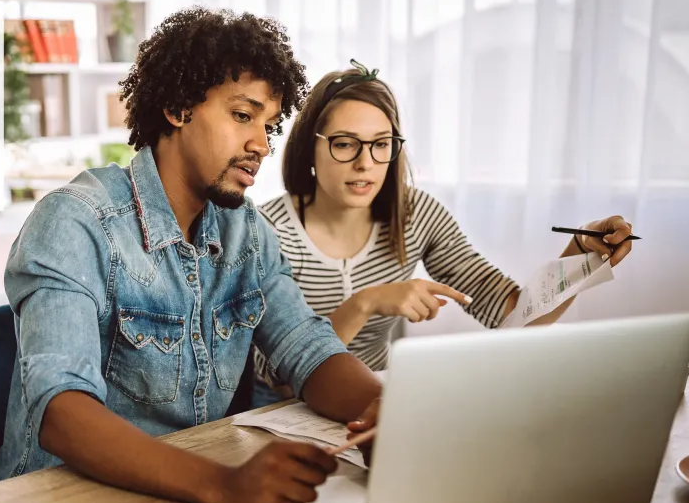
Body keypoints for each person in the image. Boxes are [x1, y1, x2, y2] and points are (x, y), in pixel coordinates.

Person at [0, 8, 382, 503]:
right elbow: (62, 412)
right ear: (176, 107)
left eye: (268, 124)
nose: (261, 144)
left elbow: (306, 348)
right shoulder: (76, 222)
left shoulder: (246, 232)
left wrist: (383, 409)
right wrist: (224, 487)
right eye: (243, 116)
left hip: (180, 502)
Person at [251, 60, 635, 405]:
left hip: (379, 407)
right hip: (286, 413)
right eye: (345, 144)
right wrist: (365, 303)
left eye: (381, 145)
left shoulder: (418, 215)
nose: (365, 163)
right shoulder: (266, 231)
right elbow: (278, 377)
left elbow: (516, 316)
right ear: (309, 148)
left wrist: (580, 251)